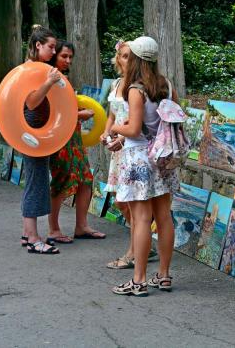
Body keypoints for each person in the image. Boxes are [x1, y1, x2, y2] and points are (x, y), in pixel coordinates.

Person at [109, 36, 179, 296]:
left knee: (140, 219)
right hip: (163, 159)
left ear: (137, 58)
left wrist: (115, 129)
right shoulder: (167, 85)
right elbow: (175, 119)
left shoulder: (135, 89)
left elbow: (133, 129)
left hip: (138, 158)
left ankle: (138, 280)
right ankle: (163, 275)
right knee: (163, 217)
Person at [102, 40, 156, 270]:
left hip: (132, 149)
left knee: (133, 204)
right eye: (122, 56)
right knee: (121, 201)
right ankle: (141, 247)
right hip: (119, 151)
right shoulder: (116, 84)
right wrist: (106, 133)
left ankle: (134, 252)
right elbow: (113, 115)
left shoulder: (137, 87)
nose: (125, 60)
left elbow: (135, 125)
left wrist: (119, 135)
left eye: (129, 56)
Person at [46, 39, 106, 244]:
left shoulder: (62, 78)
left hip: (74, 138)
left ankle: (81, 226)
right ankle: (53, 228)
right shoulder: (50, 77)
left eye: (70, 57)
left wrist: (78, 113)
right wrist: (81, 115)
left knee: (86, 180)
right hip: (60, 139)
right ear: (54, 55)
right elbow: (53, 112)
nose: (68, 60)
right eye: (64, 56)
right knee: (61, 181)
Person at [19, 24, 61, 254]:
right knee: (36, 182)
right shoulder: (29, 70)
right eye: (51, 47)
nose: (54, 52)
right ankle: (34, 238)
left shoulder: (38, 68)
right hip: (32, 131)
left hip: (37, 130)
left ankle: (28, 234)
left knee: (36, 180)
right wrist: (49, 82)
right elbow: (31, 102)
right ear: (38, 45)